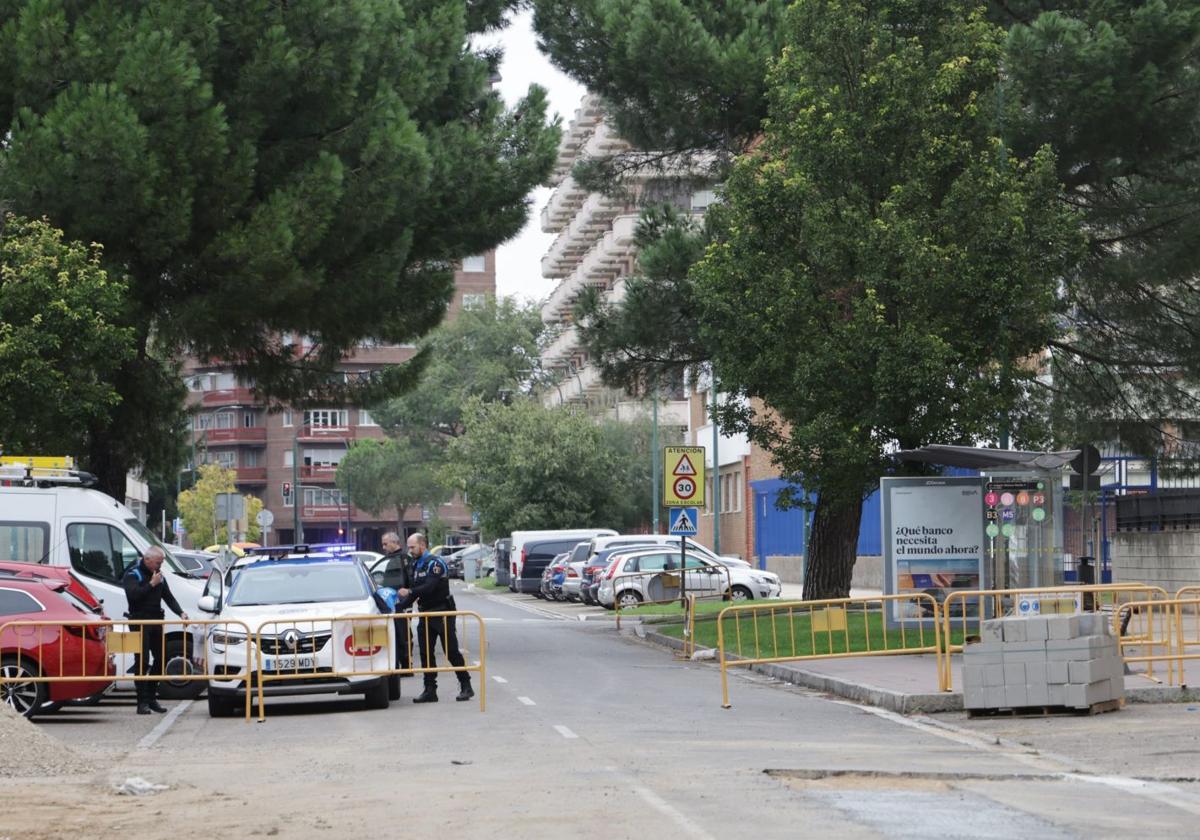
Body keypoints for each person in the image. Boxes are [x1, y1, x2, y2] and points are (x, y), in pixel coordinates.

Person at [397, 532, 473, 703]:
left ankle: (466, 685)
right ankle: (430, 690)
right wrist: (398, 608)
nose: (410, 551)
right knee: (425, 652)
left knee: (451, 651)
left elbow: (429, 587)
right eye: (409, 547)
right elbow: (415, 591)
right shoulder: (416, 564)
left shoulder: (435, 563)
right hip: (425, 613)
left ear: (422, 545)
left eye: (412, 547)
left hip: (442, 613)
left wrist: (409, 592)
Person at [123, 546, 188, 715]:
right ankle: (141, 702)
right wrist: (151, 584)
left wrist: (180, 612)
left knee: (161, 659)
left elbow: (168, 597)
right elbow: (134, 595)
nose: (160, 565)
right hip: (139, 622)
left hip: (156, 621)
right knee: (142, 661)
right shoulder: (132, 574)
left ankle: (151, 698)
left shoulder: (159, 576)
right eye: (159, 562)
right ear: (147, 559)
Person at [379, 531, 414, 675]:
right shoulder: (389, 560)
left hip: (401, 604)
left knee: (403, 635)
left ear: (394, 542)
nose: (383, 547)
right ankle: (397, 664)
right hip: (390, 604)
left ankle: (406, 666)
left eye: (385, 544)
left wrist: (407, 597)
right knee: (395, 635)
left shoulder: (404, 559)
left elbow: (411, 581)